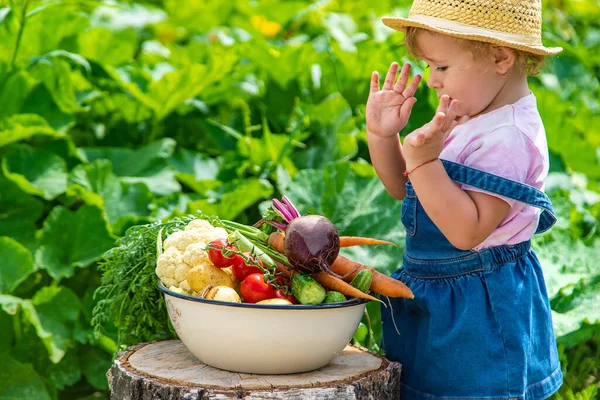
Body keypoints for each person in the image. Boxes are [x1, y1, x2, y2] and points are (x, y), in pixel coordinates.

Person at [365, 0, 563, 398]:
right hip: (439, 298)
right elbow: (404, 188)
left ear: (501, 58)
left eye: (441, 67)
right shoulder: (472, 113)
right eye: (428, 67)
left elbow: (466, 231)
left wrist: (423, 161)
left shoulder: (508, 137)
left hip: (480, 312)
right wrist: (383, 135)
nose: (432, 81)